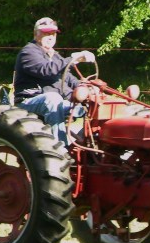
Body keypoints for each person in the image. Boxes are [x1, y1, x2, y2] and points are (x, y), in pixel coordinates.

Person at [14, 17, 95, 146]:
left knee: (93, 105)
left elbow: (68, 78)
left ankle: (87, 145)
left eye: (53, 33)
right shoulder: (28, 52)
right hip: (29, 101)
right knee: (53, 99)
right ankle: (62, 149)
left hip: (56, 102)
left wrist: (86, 88)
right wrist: (72, 59)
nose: (50, 37)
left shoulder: (54, 55)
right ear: (36, 34)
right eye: (46, 33)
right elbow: (46, 70)